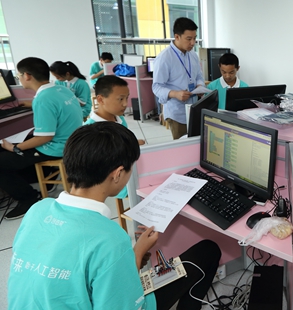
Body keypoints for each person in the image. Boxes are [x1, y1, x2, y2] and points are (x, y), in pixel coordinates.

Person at [8, 122, 222, 309]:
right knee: (208, 251)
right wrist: (135, 256)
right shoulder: (110, 238)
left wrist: (130, 257)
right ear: (118, 174)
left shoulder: (38, 209)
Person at [0, 57, 82, 219]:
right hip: (71, 142)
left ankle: (29, 199)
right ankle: (45, 173)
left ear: (27, 75)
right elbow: (55, 106)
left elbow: (44, 138)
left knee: (4, 158)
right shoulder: (60, 89)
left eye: (19, 75)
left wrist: (14, 148)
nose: (19, 78)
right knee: (15, 148)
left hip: (55, 148)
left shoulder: (43, 99)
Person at [152, 17, 205, 140]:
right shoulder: (164, 58)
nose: (193, 43)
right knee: (182, 146)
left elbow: (199, 75)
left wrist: (200, 85)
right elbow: (157, 87)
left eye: (195, 38)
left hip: (194, 108)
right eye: (189, 39)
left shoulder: (193, 55)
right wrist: (175, 94)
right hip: (177, 113)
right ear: (177, 37)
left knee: (197, 144)